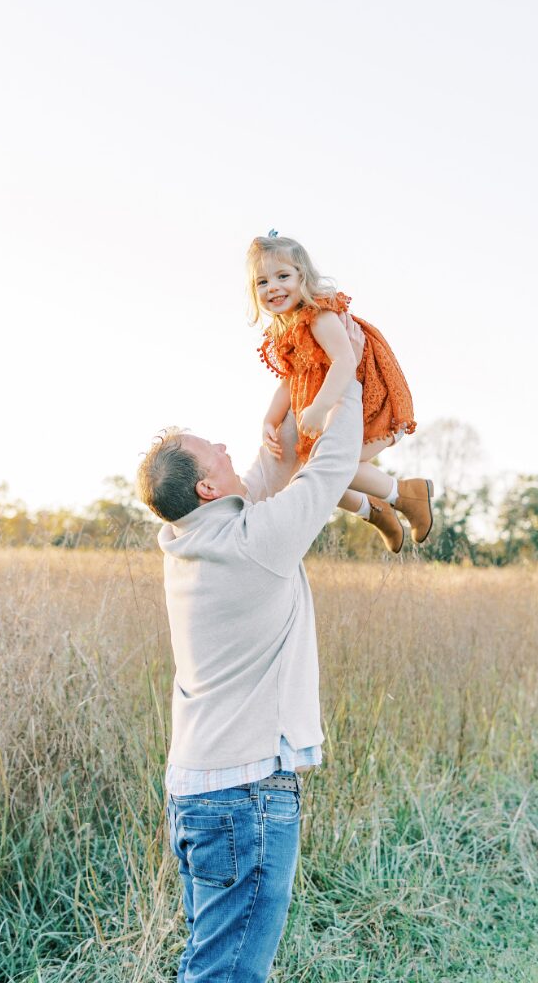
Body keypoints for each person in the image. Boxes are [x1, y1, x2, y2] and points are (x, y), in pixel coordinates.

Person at [136, 383, 361, 983]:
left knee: (209, 960)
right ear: (208, 488)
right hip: (245, 795)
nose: (225, 446)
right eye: (214, 451)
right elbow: (331, 466)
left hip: (197, 790)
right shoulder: (252, 543)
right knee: (227, 973)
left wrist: (295, 383)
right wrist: (349, 374)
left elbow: (274, 467)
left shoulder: (188, 540)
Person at [248, 231, 432, 552]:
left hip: (368, 401)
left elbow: (345, 360)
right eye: (262, 282)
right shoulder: (286, 328)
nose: (272, 287)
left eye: (282, 276)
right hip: (331, 405)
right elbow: (289, 381)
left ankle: (406, 494)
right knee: (311, 474)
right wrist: (269, 419)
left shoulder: (318, 314)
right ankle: (376, 510)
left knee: (336, 467)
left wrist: (319, 407)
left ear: (303, 277)